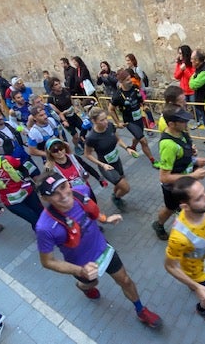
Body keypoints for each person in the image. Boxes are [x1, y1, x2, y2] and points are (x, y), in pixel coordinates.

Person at [34, 173, 162, 328]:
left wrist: (105, 219)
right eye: (54, 193)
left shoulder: (82, 191)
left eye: (63, 187)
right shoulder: (44, 227)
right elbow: (47, 262)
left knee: (125, 280)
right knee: (92, 282)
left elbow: (91, 211)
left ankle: (141, 310)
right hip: (81, 264)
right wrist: (81, 270)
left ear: (68, 183)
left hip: (102, 248)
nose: (63, 195)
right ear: (45, 198)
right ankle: (83, 287)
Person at [164, 177, 205, 325]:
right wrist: (197, 286)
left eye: (204, 192)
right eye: (199, 198)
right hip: (196, 271)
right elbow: (169, 266)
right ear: (185, 206)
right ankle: (202, 310)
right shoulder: (179, 237)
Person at [152, 103, 205, 240]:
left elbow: (182, 152)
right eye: (182, 121)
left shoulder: (181, 132)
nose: (186, 123)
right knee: (170, 209)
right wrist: (193, 175)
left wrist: (193, 158)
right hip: (173, 188)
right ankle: (158, 224)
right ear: (171, 124)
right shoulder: (168, 145)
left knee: (190, 205)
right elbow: (164, 177)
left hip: (185, 182)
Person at [0, 141, 43, 229]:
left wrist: (26, 179)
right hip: (12, 201)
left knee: (42, 214)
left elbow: (23, 169)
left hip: (27, 192)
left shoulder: (8, 159)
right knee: (34, 219)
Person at [84, 107, 138, 211]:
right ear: (94, 121)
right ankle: (116, 198)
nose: (106, 122)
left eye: (106, 118)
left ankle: (115, 195)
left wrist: (127, 148)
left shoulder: (110, 126)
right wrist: (102, 164)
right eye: (102, 120)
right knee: (125, 188)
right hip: (105, 165)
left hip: (116, 160)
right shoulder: (91, 137)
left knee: (119, 183)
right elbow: (87, 154)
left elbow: (117, 138)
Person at [108, 69, 160, 168]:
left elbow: (140, 99)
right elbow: (110, 109)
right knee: (143, 140)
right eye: (127, 80)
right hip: (129, 122)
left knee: (138, 136)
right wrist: (118, 122)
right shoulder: (117, 96)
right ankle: (153, 161)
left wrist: (144, 106)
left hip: (139, 118)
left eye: (130, 78)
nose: (130, 81)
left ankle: (132, 147)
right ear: (121, 82)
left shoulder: (135, 87)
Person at [0, 106, 40, 178]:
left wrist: (22, 130)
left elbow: (18, 128)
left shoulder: (9, 123)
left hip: (23, 156)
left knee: (36, 176)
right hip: (11, 164)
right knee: (25, 184)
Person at [44, 137, 107, 202]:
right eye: (55, 151)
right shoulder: (50, 168)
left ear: (64, 147)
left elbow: (88, 167)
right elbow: (51, 187)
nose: (59, 152)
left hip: (86, 189)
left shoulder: (74, 158)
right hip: (71, 197)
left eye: (61, 148)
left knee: (93, 205)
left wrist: (99, 178)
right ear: (50, 153)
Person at [46, 76, 84, 154]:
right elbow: (56, 113)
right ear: (52, 88)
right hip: (65, 119)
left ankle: (81, 141)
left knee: (83, 129)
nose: (59, 85)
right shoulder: (51, 98)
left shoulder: (66, 90)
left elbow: (70, 99)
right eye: (56, 85)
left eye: (59, 83)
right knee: (75, 135)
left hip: (73, 115)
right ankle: (76, 146)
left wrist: (74, 107)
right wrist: (64, 118)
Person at [174, 45, 200, 129]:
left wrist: (185, 70)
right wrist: (181, 69)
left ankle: (198, 121)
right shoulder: (179, 63)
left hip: (192, 90)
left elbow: (193, 77)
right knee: (183, 107)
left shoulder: (192, 64)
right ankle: (185, 122)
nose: (179, 55)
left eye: (181, 53)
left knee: (195, 107)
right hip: (183, 90)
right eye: (179, 53)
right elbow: (176, 76)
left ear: (185, 54)